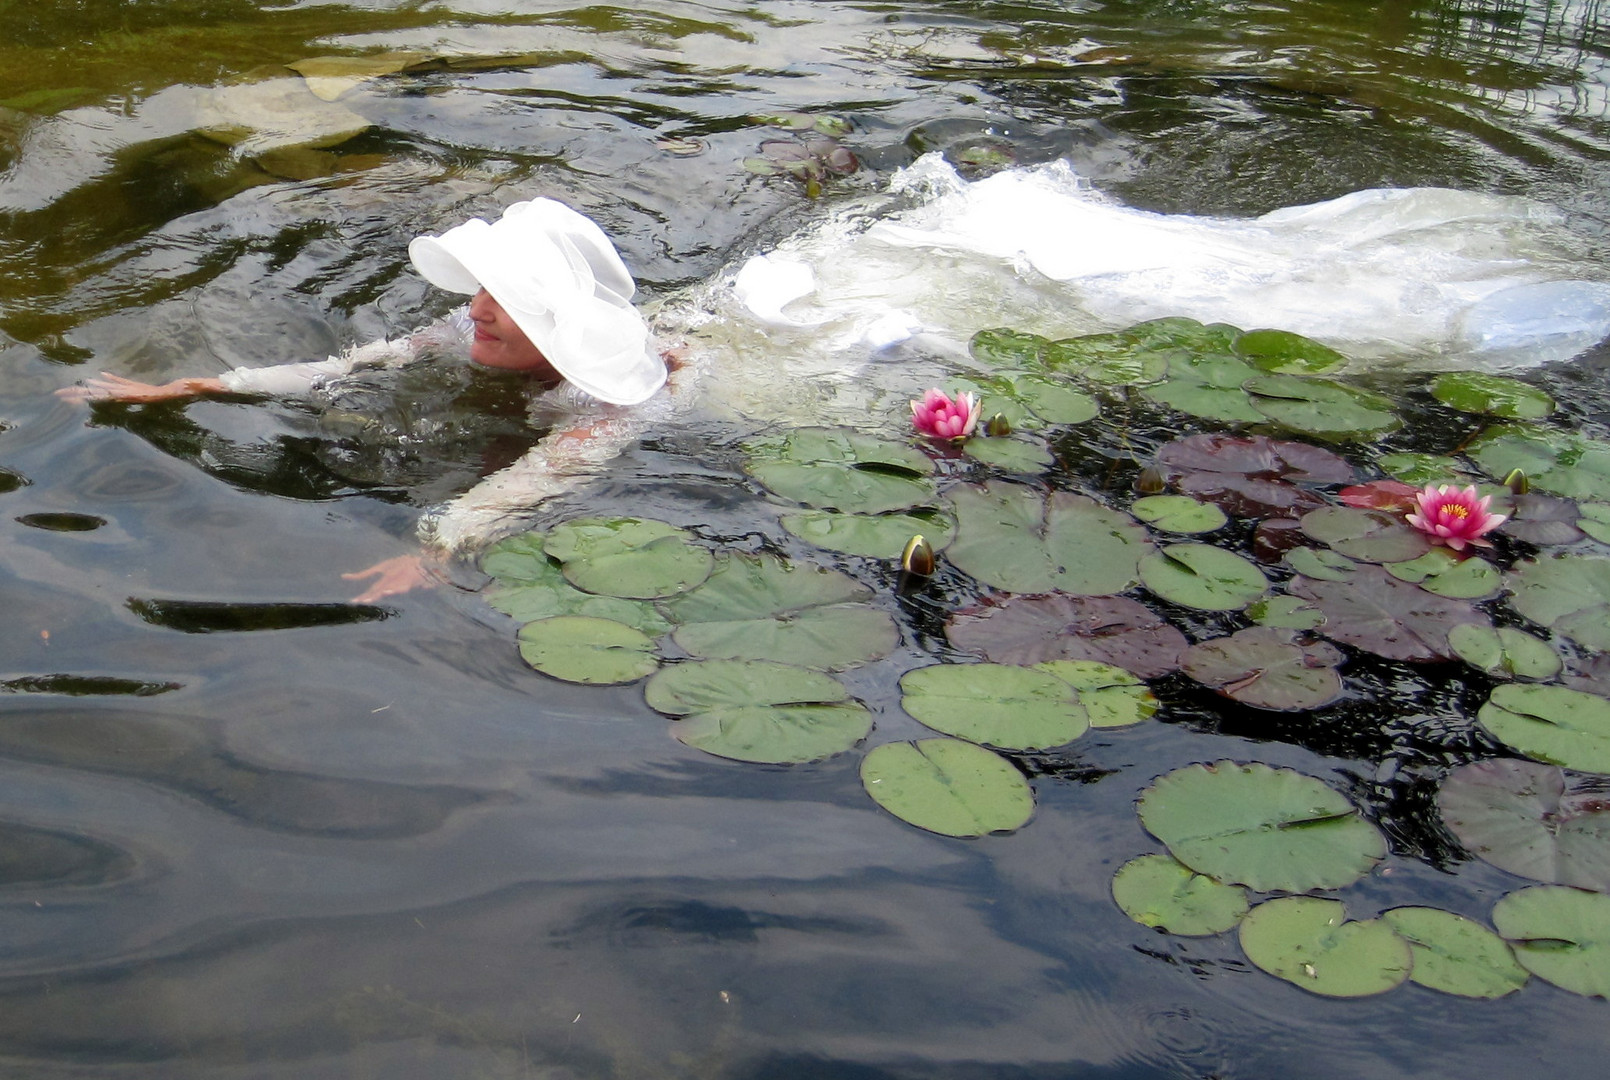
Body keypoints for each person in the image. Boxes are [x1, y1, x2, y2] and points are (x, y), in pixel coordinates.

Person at [59, 199, 686, 603]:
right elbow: (345, 367)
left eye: (505, 301)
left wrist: (438, 547)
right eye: (483, 289)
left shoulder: (606, 406)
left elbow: (536, 479)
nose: (475, 310)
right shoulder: (467, 330)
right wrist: (196, 386)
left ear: (554, 325)